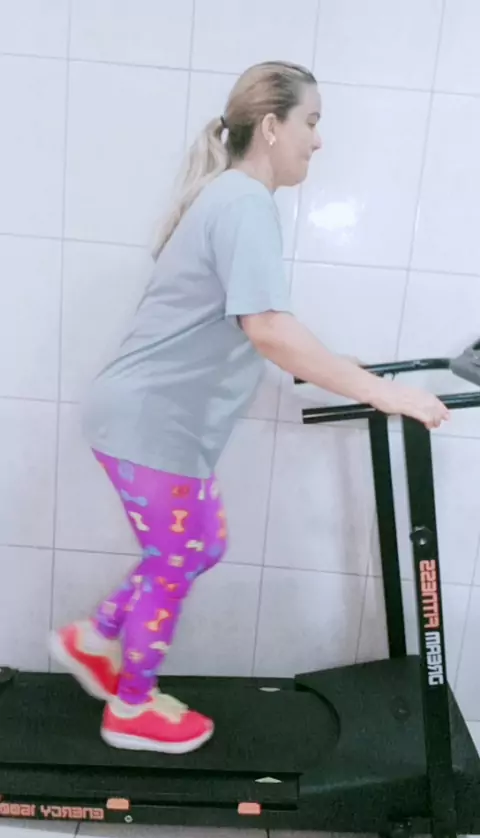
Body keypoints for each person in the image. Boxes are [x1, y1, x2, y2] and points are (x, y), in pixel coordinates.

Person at [49, 60, 449, 755]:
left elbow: (262, 326)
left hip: (154, 420)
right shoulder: (243, 203)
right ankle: (131, 706)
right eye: (310, 122)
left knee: (199, 544)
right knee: (179, 552)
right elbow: (266, 328)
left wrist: (347, 369)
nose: (318, 140)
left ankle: (96, 639)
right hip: (150, 421)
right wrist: (382, 392)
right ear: (270, 126)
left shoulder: (234, 199)